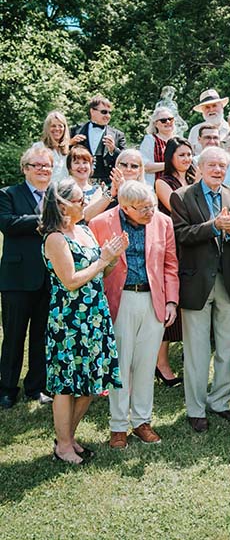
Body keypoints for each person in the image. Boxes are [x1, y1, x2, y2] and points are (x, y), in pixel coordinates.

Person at [40, 178, 127, 464]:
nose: (84, 203)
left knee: (91, 383)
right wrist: (102, 260)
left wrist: (112, 256)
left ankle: (67, 437)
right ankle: (64, 445)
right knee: (66, 385)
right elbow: (71, 280)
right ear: (63, 205)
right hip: (69, 320)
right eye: (79, 199)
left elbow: (102, 270)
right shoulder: (54, 239)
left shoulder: (85, 231)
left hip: (95, 316)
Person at [89, 181, 179, 447]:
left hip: (154, 299)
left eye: (152, 206)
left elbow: (170, 264)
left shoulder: (163, 222)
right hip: (120, 298)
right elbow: (96, 265)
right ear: (125, 207)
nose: (150, 212)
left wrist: (172, 301)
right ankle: (118, 426)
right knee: (121, 364)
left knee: (145, 363)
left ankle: (142, 421)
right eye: (143, 209)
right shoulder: (100, 223)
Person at [170, 147, 230, 432]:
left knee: (228, 345)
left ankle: (220, 400)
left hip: (229, 280)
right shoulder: (181, 196)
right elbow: (181, 235)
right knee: (197, 349)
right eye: (212, 165)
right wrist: (214, 226)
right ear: (200, 167)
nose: (217, 170)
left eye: (222, 165)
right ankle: (195, 407)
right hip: (196, 282)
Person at [0, 146, 54, 409]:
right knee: (13, 336)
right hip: (17, 278)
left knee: (41, 336)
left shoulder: (56, 196)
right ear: (25, 169)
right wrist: (44, 219)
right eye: (38, 165)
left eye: (47, 166)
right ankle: (8, 388)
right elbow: (8, 224)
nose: (43, 170)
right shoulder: (7, 194)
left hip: (48, 278)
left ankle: (36, 387)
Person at [154, 138, 196, 384]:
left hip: (192, 243)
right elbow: (176, 206)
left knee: (185, 304)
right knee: (170, 302)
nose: (186, 159)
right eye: (181, 155)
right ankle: (161, 364)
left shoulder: (192, 179)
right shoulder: (163, 182)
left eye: (189, 155)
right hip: (172, 243)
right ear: (170, 157)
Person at [69, 94, 126, 185]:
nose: (108, 116)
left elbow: (125, 161)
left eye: (109, 112)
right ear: (92, 111)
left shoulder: (118, 135)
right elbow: (61, 154)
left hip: (107, 184)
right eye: (104, 112)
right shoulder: (75, 131)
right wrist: (70, 143)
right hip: (78, 182)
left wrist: (113, 150)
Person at [68, 146, 122, 222]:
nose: (82, 166)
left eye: (85, 162)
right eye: (76, 163)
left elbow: (88, 216)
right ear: (69, 167)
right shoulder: (65, 189)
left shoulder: (97, 190)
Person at [140, 106, 176, 185]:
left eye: (170, 119)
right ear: (155, 124)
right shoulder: (150, 140)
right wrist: (172, 164)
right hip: (154, 186)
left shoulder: (179, 140)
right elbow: (145, 166)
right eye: (163, 120)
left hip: (177, 186)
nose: (168, 122)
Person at [39, 111, 71, 182]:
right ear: (47, 128)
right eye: (53, 126)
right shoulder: (39, 148)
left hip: (65, 190)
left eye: (60, 126)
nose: (57, 129)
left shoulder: (67, 150)